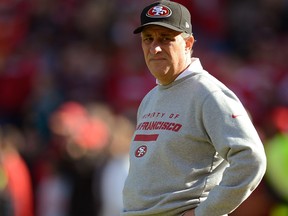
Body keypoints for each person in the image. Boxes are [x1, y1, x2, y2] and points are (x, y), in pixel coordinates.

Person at [121, 1, 267, 216]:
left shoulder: (208, 94)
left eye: (165, 38)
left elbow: (250, 158)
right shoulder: (151, 98)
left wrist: (206, 213)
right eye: (148, 39)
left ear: (188, 43)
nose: (155, 48)